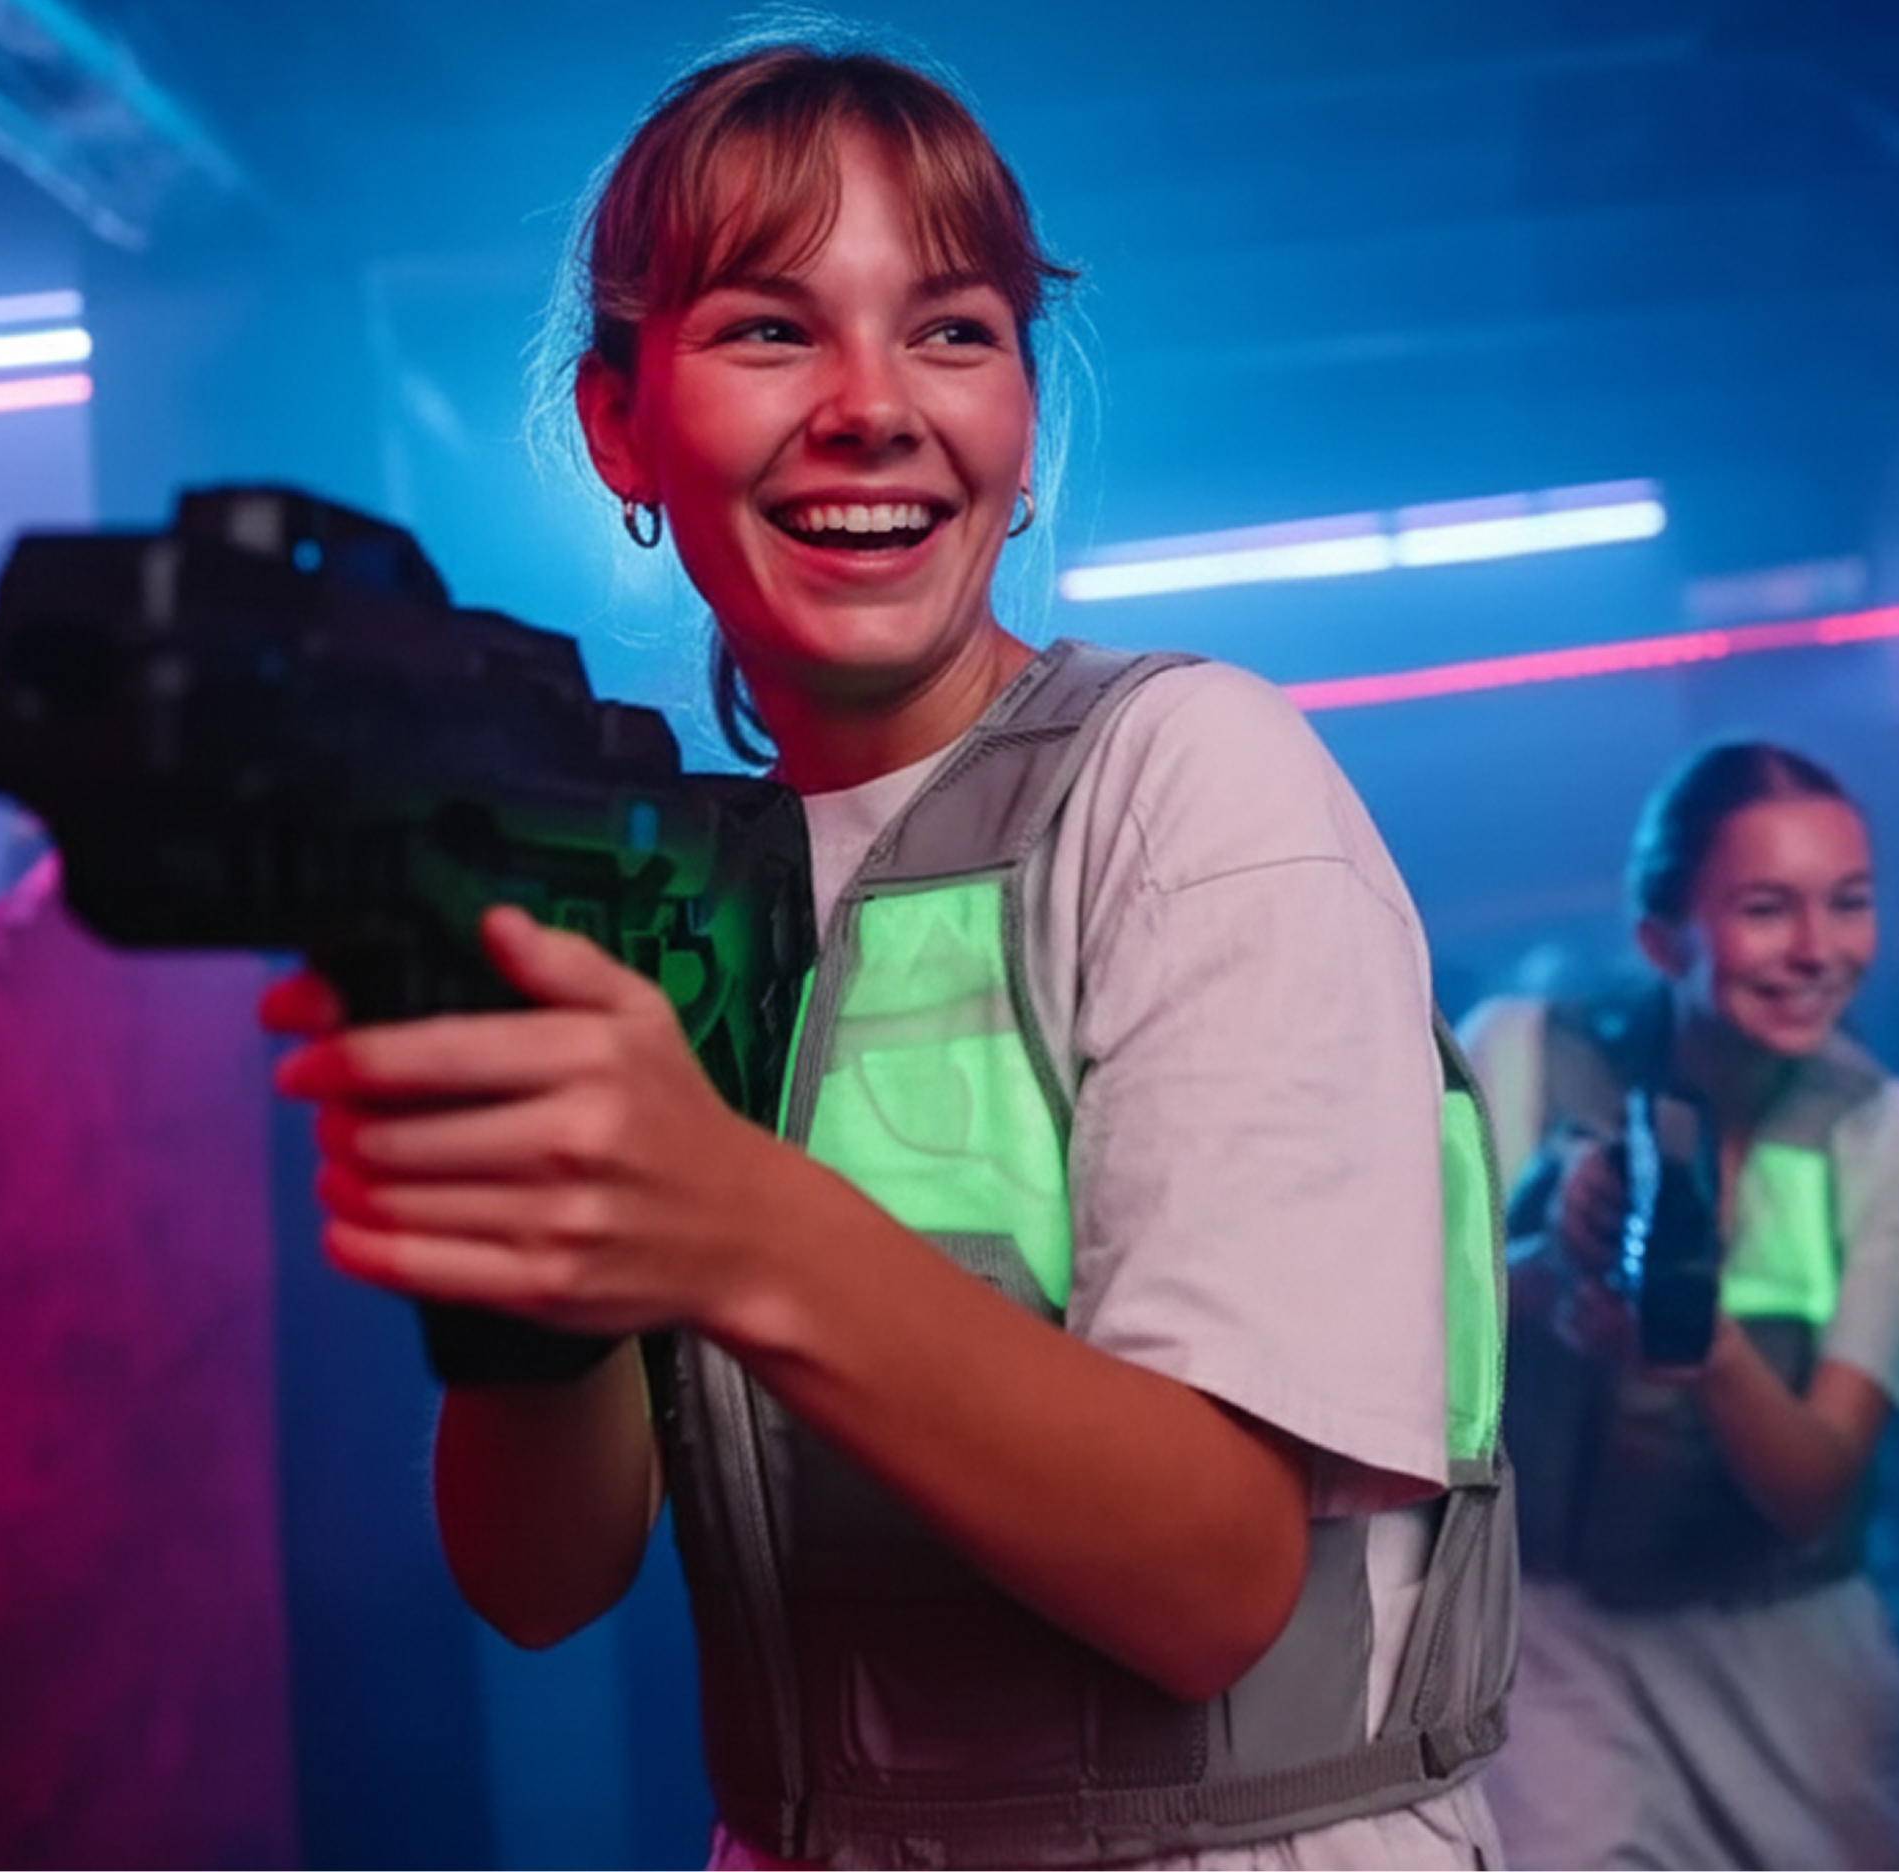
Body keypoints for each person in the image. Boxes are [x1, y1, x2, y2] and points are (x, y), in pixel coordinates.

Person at [260, 40, 1514, 1872]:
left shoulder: (1190, 777)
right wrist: (529, 1275)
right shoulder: (668, 889)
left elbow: (1213, 1581)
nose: (871, 406)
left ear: (1022, 418)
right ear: (620, 424)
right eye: (770, 330)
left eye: (950, 330)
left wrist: (719, 1213)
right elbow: (537, 1581)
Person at [1461, 742, 1899, 1872]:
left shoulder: (1885, 1139)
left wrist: (1700, 1341)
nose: (1815, 950)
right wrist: (1550, 1269)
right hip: (1553, 1639)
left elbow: (1814, 1486)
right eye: (1763, 908)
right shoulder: (1520, 1056)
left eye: (1847, 904)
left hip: (1788, 1647)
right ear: (1659, 937)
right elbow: (1397, 1344)